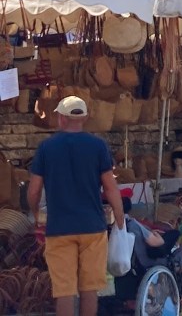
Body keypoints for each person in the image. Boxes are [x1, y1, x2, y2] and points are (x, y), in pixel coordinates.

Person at [27, 96, 125, 316]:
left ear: (61, 118)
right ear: (85, 118)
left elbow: (34, 190)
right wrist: (120, 219)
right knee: (89, 289)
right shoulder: (98, 146)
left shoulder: (46, 147)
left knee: (65, 291)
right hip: (92, 228)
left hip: (59, 228)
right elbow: (110, 187)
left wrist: (35, 212)